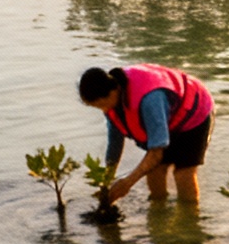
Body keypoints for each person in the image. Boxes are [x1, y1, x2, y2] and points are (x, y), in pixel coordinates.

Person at [78, 64, 215, 205]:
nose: (103, 110)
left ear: (113, 91)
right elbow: (115, 143)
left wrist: (127, 183)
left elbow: (156, 152)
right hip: (167, 118)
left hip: (194, 112)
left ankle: (189, 214)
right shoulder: (111, 104)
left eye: (101, 104)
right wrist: (106, 182)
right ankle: (159, 210)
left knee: (183, 173)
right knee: (154, 172)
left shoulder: (150, 100)